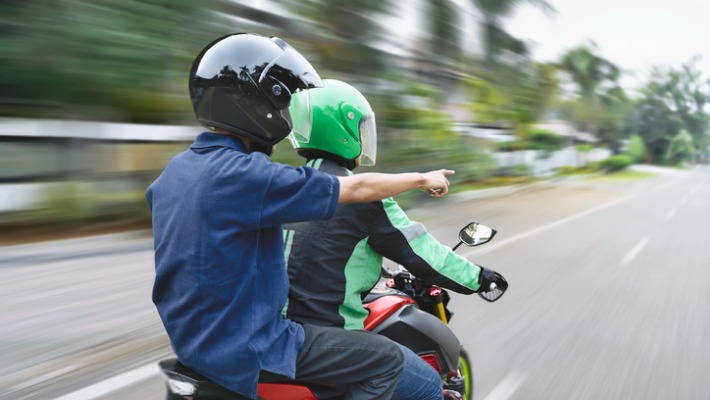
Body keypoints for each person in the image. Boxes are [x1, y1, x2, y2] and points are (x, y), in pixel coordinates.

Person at [146, 33, 455, 400]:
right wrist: (422, 178)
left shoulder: (174, 173)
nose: (286, 117)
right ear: (256, 106)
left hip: (194, 345)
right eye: (282, 104)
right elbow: (353, 190)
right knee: (395, 365)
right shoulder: (247, 177)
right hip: (255, 345)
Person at [283, 79, 507, 400]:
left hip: (273, 334)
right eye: (361, 128)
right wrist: (479, 278)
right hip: (326, 339)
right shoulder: (366, 198)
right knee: (427, 385)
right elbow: (422, 254)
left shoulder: (280, 187)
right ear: (344, 131)